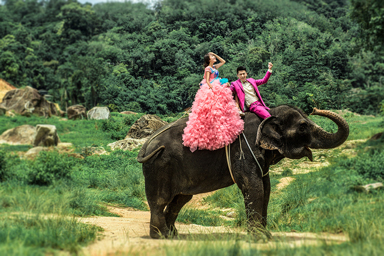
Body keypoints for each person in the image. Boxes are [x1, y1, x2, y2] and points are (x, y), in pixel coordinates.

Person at [182, 52, 244, 152]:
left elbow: (223, 61)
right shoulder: (208, 69)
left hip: (218, 83)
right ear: (208, 60)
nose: (214, 57)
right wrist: (213, 88)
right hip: (212, 85)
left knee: (224, 101)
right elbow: (207, 80)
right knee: (212, 107)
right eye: (212, 57)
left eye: (214, 56)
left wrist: (215, 54)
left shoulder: (214, 66)